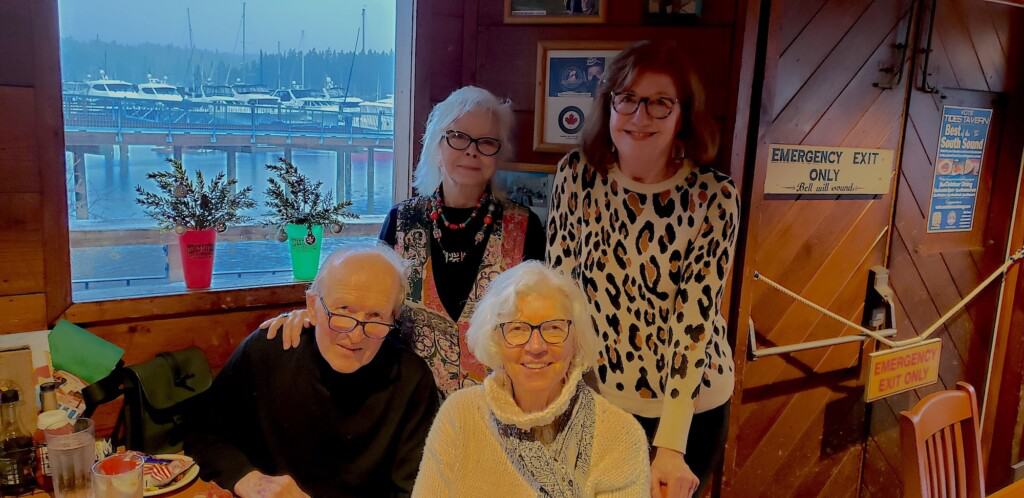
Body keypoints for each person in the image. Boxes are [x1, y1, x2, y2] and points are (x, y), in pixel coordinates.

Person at [546, 40, 739, 498]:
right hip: (599, 396)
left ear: (683, 114)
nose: (639, 116)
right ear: (609, 104)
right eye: (627, 99)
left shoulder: (713, 196)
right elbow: (560, 293)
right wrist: (564, 399)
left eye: (659, 103)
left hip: (690, 403)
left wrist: (670, 445)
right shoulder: (576, 175)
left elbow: (694, 320)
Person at [263, 86, 546, 396]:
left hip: (496, 412)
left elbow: (539, 323)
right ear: (437, 146)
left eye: (486, 142)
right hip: (407, 410)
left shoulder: (526, 227)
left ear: (498, 153)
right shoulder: (401, 221)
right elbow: (368, 306)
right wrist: (312, 317)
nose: (471, 150)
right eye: (458, 137)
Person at [186, 247, 439, 498]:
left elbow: (413, 492)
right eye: (343, 310)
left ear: (393, 319)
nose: (355, 334)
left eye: (376, 316)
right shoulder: (268, 350)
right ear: (313, 305)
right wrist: (247, 479)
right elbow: (203, 435)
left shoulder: (411, 380)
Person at [412, 261, 650, 497]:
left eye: (554, 328)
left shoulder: (621, 434)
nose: (536, 346)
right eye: (517, 329)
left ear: (576, 340)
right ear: (495, 340)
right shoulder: (459, 414)